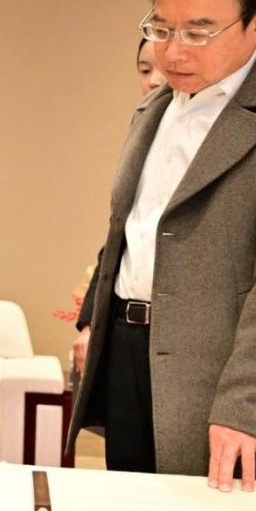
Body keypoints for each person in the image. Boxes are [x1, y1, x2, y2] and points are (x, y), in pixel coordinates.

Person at [67, 0, 256, 492]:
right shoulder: (155, 108)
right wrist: (94, 320)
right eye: (160, 27)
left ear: (255, 22)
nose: (171, 52)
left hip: (215, 374)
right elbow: (131, 227)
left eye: (198, 32)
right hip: (128, 350)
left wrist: (245, 403)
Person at [72, 38, 169, 372]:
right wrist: (89, 322)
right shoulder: (142, 133)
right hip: (125, 329)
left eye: (162, 68)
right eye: (144, 70)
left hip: (179, 336)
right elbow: (119, 238)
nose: (154, 80)